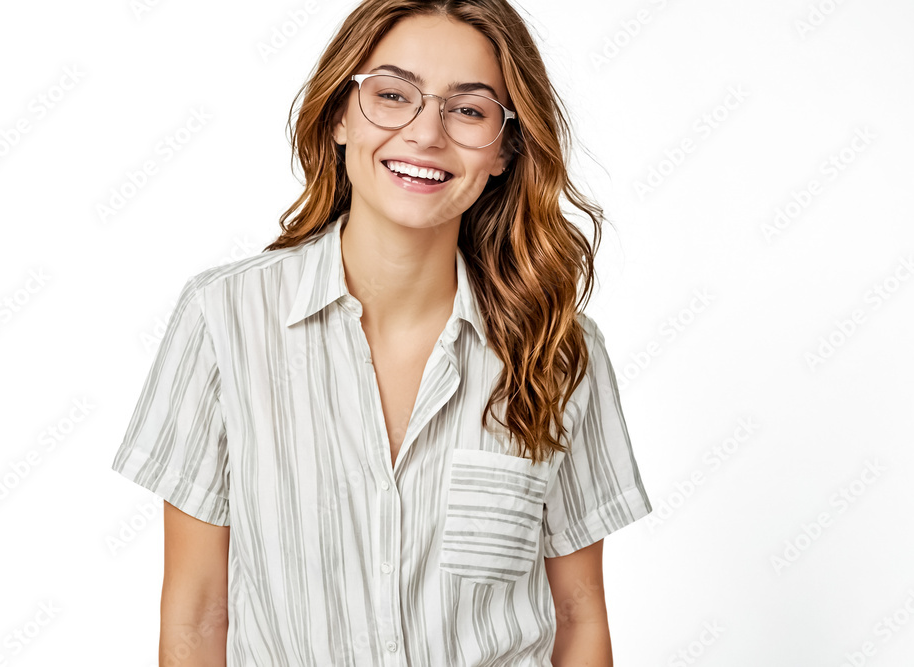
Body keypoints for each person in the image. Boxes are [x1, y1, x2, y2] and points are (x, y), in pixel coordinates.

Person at [111, 1, 653, 665]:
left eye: (469, 109)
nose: (426, 134)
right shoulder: (223, 319)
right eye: (393, 95)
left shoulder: (558, 350)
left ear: (505, 149)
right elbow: (196, 618)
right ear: (340, 115)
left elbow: (579, 617)